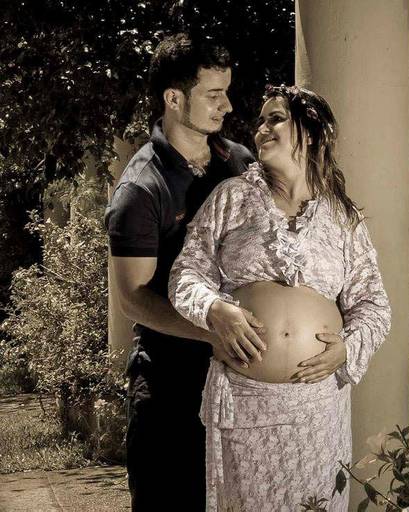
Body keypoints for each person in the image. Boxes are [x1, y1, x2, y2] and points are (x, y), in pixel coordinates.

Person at [169, 84, 392, 511]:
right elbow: (186, 274)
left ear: (311, 131)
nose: (261, 129)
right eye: (260, 121)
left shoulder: (342, 216)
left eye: (275, 119)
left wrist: (347, 348)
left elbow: (373, 305)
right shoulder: (232, 197)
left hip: (317, 409)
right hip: (245, 402)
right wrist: (215, 309)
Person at [104, 34, 264, 511]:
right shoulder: (140, 188)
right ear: (174, 99)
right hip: (168, 388)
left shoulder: (241, 162)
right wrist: (211, 331)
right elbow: (132, 298)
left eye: (226, 92)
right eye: (213, 95)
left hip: (238, 381)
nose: (227, 106)